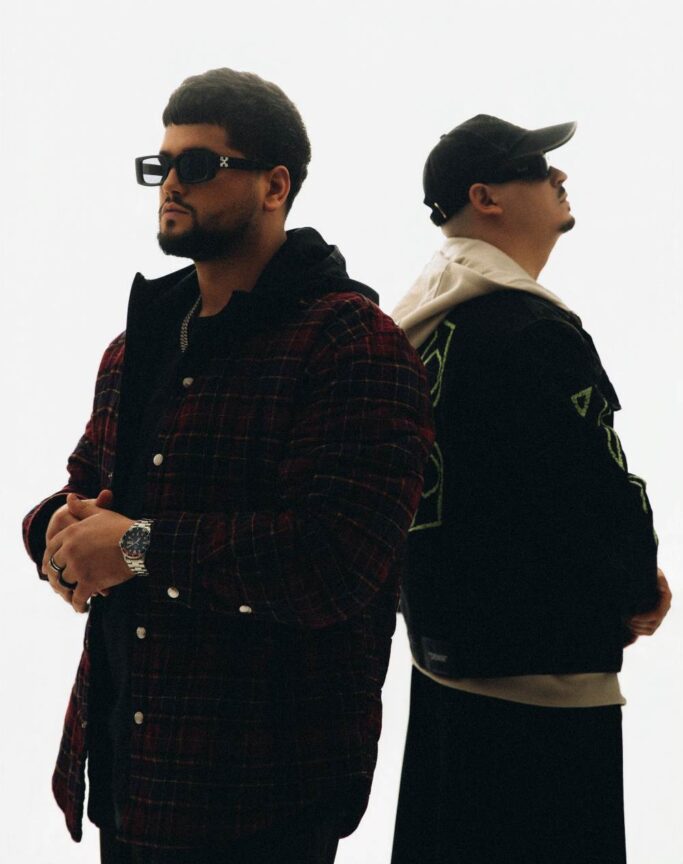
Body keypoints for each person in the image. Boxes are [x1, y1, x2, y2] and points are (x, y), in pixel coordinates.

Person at [22, 68, 433, 864]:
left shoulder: (352, 342)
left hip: (261, 795)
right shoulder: (137, 346)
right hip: (127, 774)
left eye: (199, 164)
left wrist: (132, 546)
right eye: (163, 164)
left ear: (275, 185)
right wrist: (56, 538)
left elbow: (334, 561)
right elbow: (80, 494)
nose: (171, 183)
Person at [390, 114, 671, 864]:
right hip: (543, 693)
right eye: (537, 167)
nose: (559, 175)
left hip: (441, 670)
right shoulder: (528, 329)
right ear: (485, 197)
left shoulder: (411, 329)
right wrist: (636, 582)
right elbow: (593, 485)